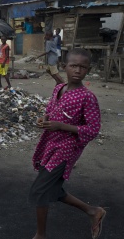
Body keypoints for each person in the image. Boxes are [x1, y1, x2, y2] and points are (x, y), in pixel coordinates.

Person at [29, 48, 106, 239]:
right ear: (65, 67)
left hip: (66, 150)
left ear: (88, 69)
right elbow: (51, 110)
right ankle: (93, 211)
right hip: (50, 144)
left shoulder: (87, 97)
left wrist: (61, 126)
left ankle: (40, 235)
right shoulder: (59, 88)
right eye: (73, 66)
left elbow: (93, 129)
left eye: (82, 67)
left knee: (40, 190)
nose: (77, 70)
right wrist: (44, 119)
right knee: (53, 189)